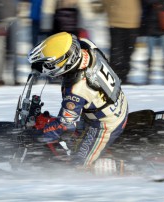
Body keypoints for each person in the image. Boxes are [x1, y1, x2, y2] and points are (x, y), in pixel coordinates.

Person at [27, 32, 128, 169]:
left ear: (62, 63)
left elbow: (66, 124)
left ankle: (124, 169)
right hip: (111, 101)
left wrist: (42, 136)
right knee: (71, 137)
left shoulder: (77, 88)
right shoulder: (86, 46)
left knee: (78, 166)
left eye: (48, 65)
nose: (45, 69)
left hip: (105, 123)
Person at [102, 0, 141, 84]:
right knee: (119, 52)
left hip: (131, 22)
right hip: (118, 22)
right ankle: (116, 78)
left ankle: (122, 77)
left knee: (125, 52)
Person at [140, 0, 164, 85]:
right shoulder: (161, 3)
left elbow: (144, 16)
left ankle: (150, 78)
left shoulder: (147, 4)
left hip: (154, 30)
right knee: (163, 55)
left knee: (153, 56)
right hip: (160, 30)